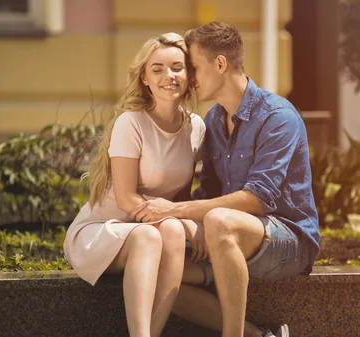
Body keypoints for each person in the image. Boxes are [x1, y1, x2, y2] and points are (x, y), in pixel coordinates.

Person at [130, 21, 320, 337]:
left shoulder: (277, 116)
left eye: (192, 68)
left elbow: (257, 200)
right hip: (230, 238)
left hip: (289, 240)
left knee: (219, 220)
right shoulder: (214, 121)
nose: (187, 79)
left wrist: (177, 212)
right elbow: (209, 193)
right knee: (163, 276)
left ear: (220, 64)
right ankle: (259, 336)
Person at [63, 32, 206, 337]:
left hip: (152, 227)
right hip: (102, 230)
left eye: (177, 67)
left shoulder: (196, 127)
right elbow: (127, 199)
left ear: (189, 74)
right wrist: (185, 222)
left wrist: (187, 220)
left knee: (168, 230)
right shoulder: (132, 122)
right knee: (150, 236)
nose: (169, 76)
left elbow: (177, 199)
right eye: (158, 69)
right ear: (144, 77)